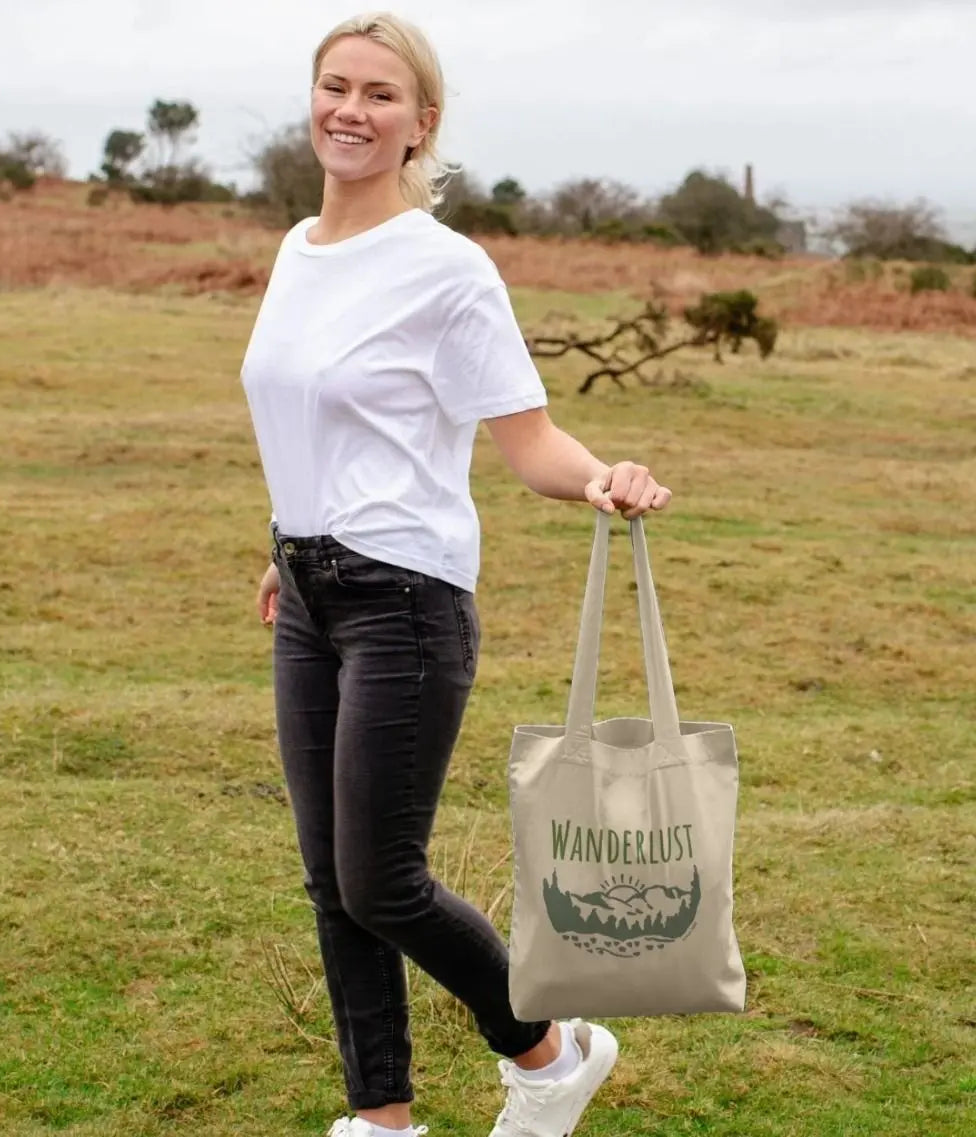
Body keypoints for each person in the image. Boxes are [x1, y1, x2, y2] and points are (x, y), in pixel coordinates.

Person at [239, 13, 672, 1137]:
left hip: (405, 602)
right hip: (311, 595)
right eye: (335, 86)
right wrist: (287, 544)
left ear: (421, 124)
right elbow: (309, 420)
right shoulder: (296, 249)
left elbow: (528, 440)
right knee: (332, 882)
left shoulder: (447, 269)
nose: (350, 109)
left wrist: (603, 477)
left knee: (381, 879)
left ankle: (549, 1052)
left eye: (380, 94)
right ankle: (380, 1119)